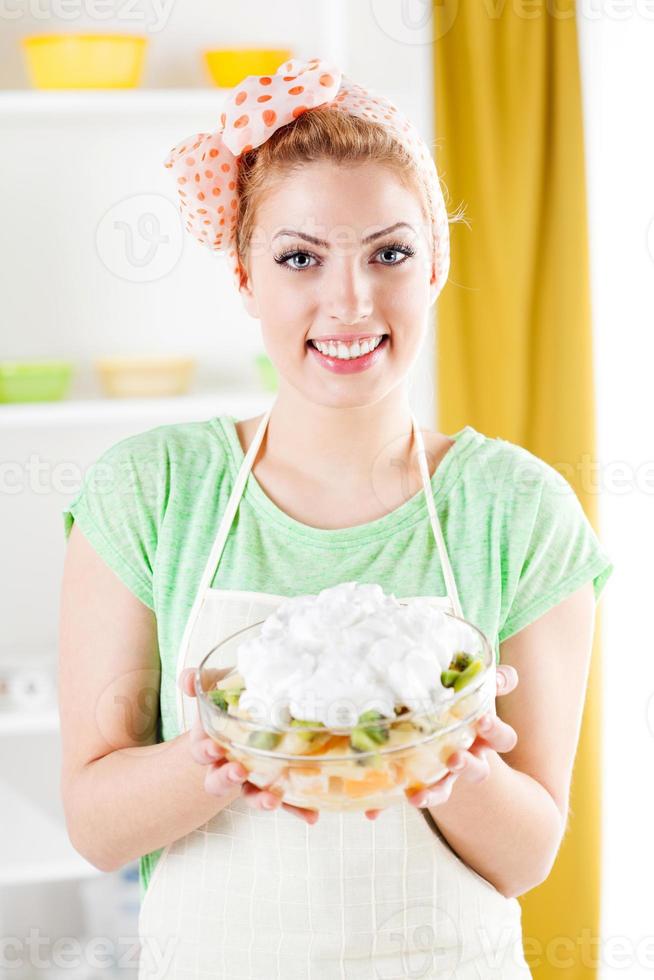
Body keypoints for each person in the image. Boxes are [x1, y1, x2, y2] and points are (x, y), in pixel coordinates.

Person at [59, 57, 614, 979]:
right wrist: (236, 747)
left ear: (435, 263)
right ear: (244, 276)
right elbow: (95, 825)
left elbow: (529, 857)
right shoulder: (150, 492)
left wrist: (451, 762)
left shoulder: (520, 511)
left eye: (389, 253)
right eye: (299, 258)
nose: (350, 302)